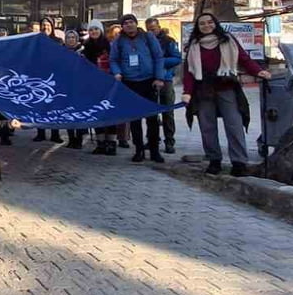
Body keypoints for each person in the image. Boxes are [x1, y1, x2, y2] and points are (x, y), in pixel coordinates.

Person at [183, 12, 271, 176]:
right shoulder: (194, 45)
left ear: (215, 23)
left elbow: (244, 59)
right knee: (207, 127)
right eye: (202, 23)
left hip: (226, 86)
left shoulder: (228, 40)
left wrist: (259, 72)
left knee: (234, 124)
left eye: (210, 22)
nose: (206, 26)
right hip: (203, 89)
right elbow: (188, 71)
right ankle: (214, 160)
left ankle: (239, 163)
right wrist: (187, 92)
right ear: (198, 27)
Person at [109, 13, 166, 163]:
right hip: (130, 83)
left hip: (149, 81)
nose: (129, 25)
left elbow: (158, 57)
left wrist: (159, 77)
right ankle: (139, 150)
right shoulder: (119, 41)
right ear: (122, 26)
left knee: (152, 119)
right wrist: (117, 73)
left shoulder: (148, 37)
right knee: (134, 119)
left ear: (136, 23)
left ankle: (154, 150)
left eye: (131, 22)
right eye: (126, 23)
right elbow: (113, 60)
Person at [145, 18, 182, 154]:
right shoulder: (145, 42)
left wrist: (159, 62)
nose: (151, 32)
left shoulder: (168, 41)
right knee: (150, 112)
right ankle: (152, 139)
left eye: (153, 29)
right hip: (149, 79)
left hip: (166, 80)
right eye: (148, 29)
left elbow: (177, 58)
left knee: (167, 112)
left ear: (159, 27)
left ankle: (169, 141)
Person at [82, 21, 118, 155]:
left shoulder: (109, 45)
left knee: (110, 112)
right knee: (97, 113)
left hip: (108, 82)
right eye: (91, 30)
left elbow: (114, 61)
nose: (94, 32)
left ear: (101, 30)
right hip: (93, 83)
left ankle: (112, 143)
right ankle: (101, 143)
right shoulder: (86, 47)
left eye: (96, 29)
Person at [33, 18, 65, 144]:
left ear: (52, 27)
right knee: (40, 106)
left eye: (48, 25)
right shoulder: (35, 42)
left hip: (54, 78)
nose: (46, 27)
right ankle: (40, 133)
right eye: (43, 25)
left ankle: (55, 134)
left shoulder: (58, 41)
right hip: (39, 77)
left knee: (54, 107)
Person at [61, 29, 87, 149]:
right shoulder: (60, 52)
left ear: (76, 39)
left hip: (79, 86)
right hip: (65, 86)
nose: (70, 39)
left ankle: (79, 139)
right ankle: (71, 139)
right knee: (68, 114)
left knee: (78, 114)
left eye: (73, 37)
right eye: (68, 37)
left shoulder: (83, 51)